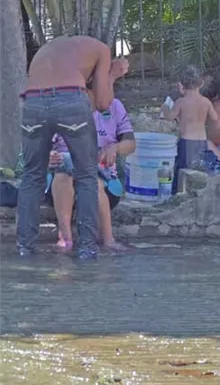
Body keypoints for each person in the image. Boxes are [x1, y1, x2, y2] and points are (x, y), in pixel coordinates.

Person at [18, 36, 121, 259]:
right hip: (71, 101)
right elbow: (103, 104)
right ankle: (87, 250)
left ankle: (25, 248)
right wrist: (111, 76)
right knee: (86, 176)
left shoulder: (46, 50)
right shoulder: (101, 49)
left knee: (32, 177)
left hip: (32, 102)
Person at [48, 94, 135, 251]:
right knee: (64, 173)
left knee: (93, 181)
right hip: (62, 176)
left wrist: (115, 148)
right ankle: (65, 238)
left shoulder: (114, 106)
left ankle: (108, 239)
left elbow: (130, 144)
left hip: (102, 178)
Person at [163, 65, 220, 192]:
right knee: (200, 171)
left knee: (182, 172)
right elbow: (214, 117)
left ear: (181, 85)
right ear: (201, 83)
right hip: (202, 142)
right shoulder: (205, 102)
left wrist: (165, 107)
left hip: (186, 142)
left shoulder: (181, 102)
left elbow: (170, 117)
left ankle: (178, 194)